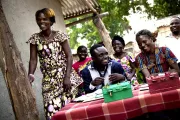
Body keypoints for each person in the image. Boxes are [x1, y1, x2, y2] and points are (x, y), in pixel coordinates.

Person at [27, 8, 82, 120]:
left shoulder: (60, 36)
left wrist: (67, 78)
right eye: (39, 20)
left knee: (73, 112)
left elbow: (69, 56)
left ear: (51, 20)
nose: (41, 22)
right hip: (49, 80)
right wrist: (30, 74)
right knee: (51, 112)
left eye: (44, 19)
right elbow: (33, 59)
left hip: (65, 77)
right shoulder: (35, 39)